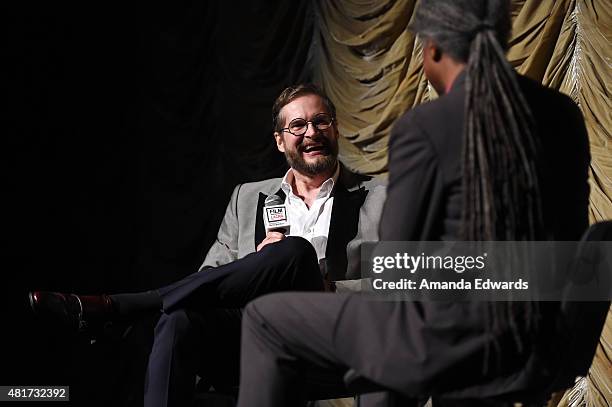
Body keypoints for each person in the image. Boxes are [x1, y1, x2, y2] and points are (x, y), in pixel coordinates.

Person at [234, 1, 605, 406]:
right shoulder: (563, 115)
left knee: (263, 318)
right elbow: (571, 240)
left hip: (453, 341)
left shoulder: (426, 126)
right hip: (542, 342)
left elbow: (398, 262)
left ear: (433, 49)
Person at [29, 83, 386, 407]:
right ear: (280, 140)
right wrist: (261, 264)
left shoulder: (382, 196)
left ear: (336, 128)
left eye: (321, 121)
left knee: (294, 252)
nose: (311, 132)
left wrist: (330, 289)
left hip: (338, 339)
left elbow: (414, 283)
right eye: (298, 126)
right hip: (254, 340)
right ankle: (142, 309)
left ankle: (128, 308)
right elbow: (209, 279)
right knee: (178, 319)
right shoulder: (247, 199)